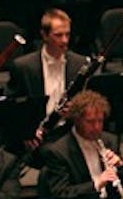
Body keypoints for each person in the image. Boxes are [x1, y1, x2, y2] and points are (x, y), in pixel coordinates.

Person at [6, 8, 89, 145]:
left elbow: (89, 103)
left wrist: (75, 110)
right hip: (38, 137)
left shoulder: (80, 64)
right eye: (58, 35)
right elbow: (13, 108)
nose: (65, 40)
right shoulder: (23, 67)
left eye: (67, 34)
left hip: (71, 133)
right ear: (44, 35)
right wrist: (26, 133)